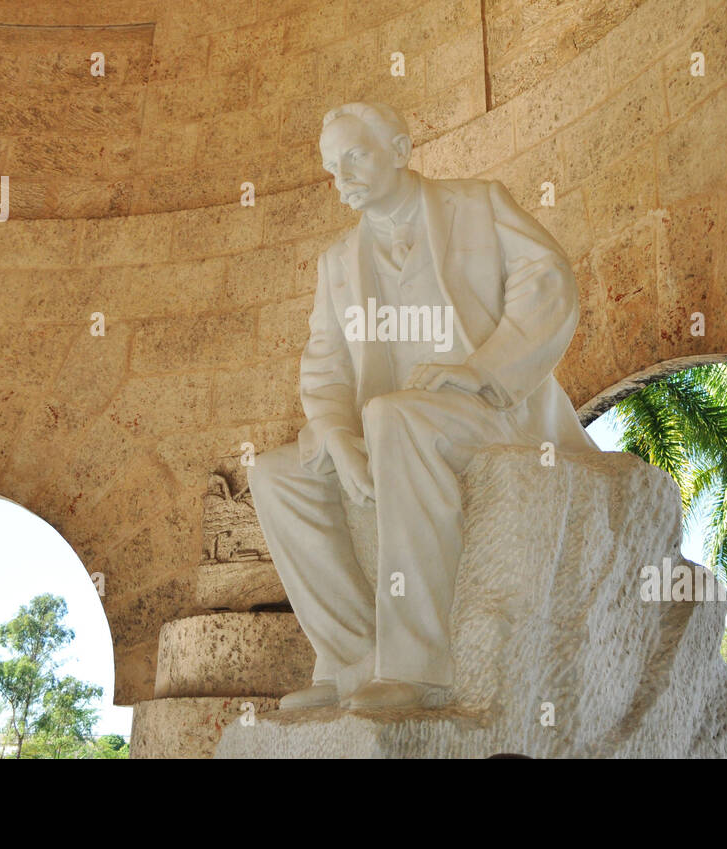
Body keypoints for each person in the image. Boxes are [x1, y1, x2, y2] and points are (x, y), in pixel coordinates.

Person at [249, 102, 597, 710]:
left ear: (402, 150)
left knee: (392, 417)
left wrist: (480, 369)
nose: (343, 177)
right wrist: (334, 437)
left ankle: (417, 668)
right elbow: (325, 367)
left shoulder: (480, 205)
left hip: (489, 408)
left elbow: (548, 282)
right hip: (389, 423)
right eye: (332, 169)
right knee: (275, 474)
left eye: (354, 156)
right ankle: (355, 657)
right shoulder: (336, 264)